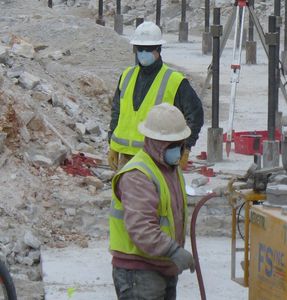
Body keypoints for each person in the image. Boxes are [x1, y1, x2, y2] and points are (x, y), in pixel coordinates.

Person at [109, 103, 195, 299]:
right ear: (154, 142)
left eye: (179, 143)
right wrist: (174, 251)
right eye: (171, 145)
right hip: (139, 273)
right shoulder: (138, 175)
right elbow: (141, 228)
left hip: (161, 266)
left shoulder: (169, 168)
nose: (177, 150)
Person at [108, 21, 203, 170]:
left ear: (158, 49)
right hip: (125, 157)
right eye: (140, 49)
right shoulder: (127, 76)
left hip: (157, 158)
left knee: (156, 193)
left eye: (148, 49)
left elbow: (195, 115)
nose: (143, 53)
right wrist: (112, 144)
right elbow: (117, 112)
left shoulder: (174, 80)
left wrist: (186, 147)